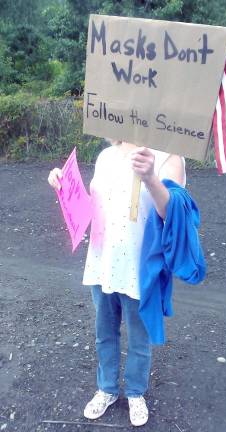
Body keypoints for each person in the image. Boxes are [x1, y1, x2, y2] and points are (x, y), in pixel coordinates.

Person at [48, 140, 186, 427]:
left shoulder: (167, 156)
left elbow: (173, 214)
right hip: (103, 261)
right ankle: (106, 389)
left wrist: (149, 176)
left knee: (139, 336)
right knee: (104, 332)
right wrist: (64, 186)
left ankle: (136, 392)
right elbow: (93, 205)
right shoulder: (106, 156)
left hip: (141, 266)